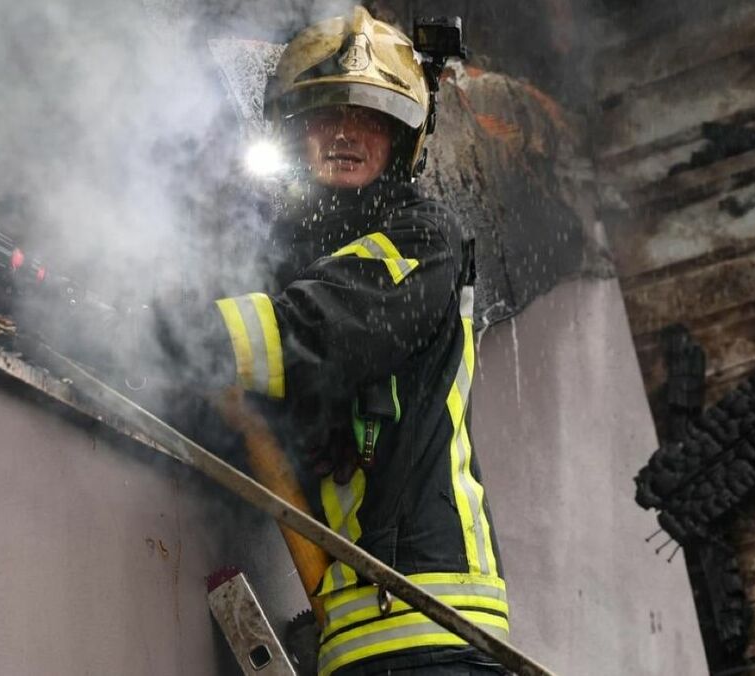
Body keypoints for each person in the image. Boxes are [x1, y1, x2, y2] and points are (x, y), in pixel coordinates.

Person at [61, 6, 510, 675]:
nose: (346, 134)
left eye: (370, 118)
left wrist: (161, 332)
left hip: (434, 627)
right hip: (355, 640)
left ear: (403, 138)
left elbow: (316, 333)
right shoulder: (293, 263)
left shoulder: (425, 238)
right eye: (325, 115)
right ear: (294, 134)